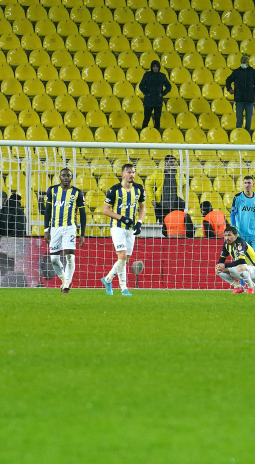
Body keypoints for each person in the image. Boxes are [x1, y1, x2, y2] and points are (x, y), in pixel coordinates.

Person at [100, 163, 146, 296]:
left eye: (133, 172)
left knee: (125, 260)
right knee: (122, 257)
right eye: (129, 172)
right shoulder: (113, 190)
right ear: (122, 175)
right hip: (118, 227)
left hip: (131, 229)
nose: (132, 175)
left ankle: (108, 279)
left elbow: (142, 207)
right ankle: (124, 288)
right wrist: (121, 218)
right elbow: (105, 210)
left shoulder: (139, 189)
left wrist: (139, 222)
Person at [44, 168, 87, 293]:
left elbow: (83, 214)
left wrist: (82, 234)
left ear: (71, 177)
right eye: (63, 175)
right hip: (55, 228)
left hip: (70, 227)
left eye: (68, 175)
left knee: (69, 255)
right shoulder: (52, 190)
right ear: (60, 177)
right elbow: (47, 211)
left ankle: (67, 284)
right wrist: (46, 230)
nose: (66, 177)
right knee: (54, 260)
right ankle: (64, 279)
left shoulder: (77, 193)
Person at [230, 176, 255, 270]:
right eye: (245, 183)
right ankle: (242, 284)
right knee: (241, 259)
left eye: (249, 183)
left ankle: (254, 279)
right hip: (241, 233)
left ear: (253, 184)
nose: (246, 185)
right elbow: (232, 215)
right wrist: (234, 228)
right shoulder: (237, 198)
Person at [215, 225, 255, 294]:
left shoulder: (240, 242)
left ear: (235, 236)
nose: (227, 238)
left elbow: (242, 261)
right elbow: (222, 259)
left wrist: (225, 265)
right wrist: (220, 265)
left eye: (229, 235)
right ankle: (238, 287)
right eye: (225, 235)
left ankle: (251, 287)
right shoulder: (226, 244)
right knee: (218, 270)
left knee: (240, 266)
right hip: (241, 270)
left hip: (254, 270)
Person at [225, 55, 255, 133]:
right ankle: (239, 134)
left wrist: (253, 92)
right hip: (239, 100)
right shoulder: (236, 72)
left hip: (249, 100)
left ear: (247, 62)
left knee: (248, 120)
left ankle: (246, 135)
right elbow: (228, 80)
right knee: (239, 120)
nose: (242, 63)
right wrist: (229, 89)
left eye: (244, 62)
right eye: (241, 62)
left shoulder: (253, 72)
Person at [149, 154, 185, 223]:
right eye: (171, 162)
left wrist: (183, 199)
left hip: (175, 205)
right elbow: (149, 185)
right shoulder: (158, 173)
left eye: (174, 162)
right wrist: (152, 199)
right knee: (162, 225)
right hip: (161, 205)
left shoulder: (179, 173)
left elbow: (184, 185)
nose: (173, 164)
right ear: (165, 163)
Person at [138, 60, 171, 131]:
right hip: (148, 100)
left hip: (158, 101)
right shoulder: (147, 75)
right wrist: (146, 93)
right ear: (152, 67)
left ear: (159, 67)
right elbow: (141, 86)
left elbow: (169, 86)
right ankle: (143, 133)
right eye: (154, 67)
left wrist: (162, 93)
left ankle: (156, 134)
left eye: (157, 67)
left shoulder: (162, 76)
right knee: (146, 118)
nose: (155, 68)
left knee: (157, 119)